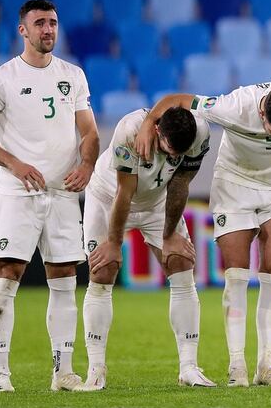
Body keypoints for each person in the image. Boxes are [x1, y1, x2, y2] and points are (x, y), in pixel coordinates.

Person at [134, 78, 271, 387]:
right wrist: (148, 123)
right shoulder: (232, 107)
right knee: (237, 274)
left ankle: (266, 367)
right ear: (262, 116)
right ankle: (237, 367)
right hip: (235, 186)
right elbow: (176, 98)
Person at [0, 0, 99, 393]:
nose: (48, 30)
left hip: (61, 194)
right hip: (18, 193)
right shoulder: (2, 78)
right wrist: (14, 163)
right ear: (22, 30)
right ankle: (0, 374)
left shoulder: (72, 75)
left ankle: (63, 372)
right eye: (40, 23)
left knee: (63, 279)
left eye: (53, 23)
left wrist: (87, 165)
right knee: (8, 276)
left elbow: (89, 133)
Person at [79, 106, 215, 390]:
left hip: (156, 202)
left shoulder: (200, 134)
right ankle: (96, 370)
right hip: (108, 197)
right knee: (103, 271)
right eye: (169, 150)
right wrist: (115, 244)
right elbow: (123, 193)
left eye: (181, 153)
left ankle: (189, 367)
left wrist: (169, 236)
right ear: (156, 131)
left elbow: (180, 184)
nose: (175, 157)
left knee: (180, 263)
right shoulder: (129, 132)